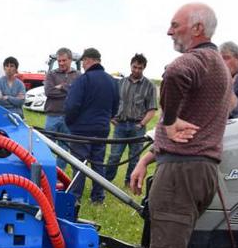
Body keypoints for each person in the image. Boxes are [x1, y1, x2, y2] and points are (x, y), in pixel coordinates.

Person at [111, 3, 233, 248]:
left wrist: (169, 117)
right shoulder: (217, 66)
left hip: (182, 174)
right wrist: (150, 155)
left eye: (174, 25)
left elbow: (176, 72)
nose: (169, 32)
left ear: (196, 28)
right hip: (195, 170)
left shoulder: (198, 62)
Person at [64, 47, 119, 204]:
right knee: (98, 164)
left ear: (88, 60)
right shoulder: (112, 81)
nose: (82, 65)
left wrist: (70, 122)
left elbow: (71, 105)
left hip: (81, 130)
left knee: (79, 165)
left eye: (82, 61)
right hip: (101, 129)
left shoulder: (83, 80)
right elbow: (115, 106)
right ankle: (98, 198)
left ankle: (75, 198)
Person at [104, 53, 157, 187]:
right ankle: (105, 182)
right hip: (120, 125)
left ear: (144, 68)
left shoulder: (149, 86)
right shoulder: (120, 83)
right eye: (134, 67)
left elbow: (152, 109)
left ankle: (129, 182)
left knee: (134, 158)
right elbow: (110, 101)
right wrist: (111, 117)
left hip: (137, 126)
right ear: (130, 66)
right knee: (114, 156)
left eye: (140, 68)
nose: (136, 70)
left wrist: (141, 124)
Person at [44, 47, 81, 169]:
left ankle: (59, 176)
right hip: (52, 116)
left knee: (64, 150)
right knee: (46, 147)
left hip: (69, 118)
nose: (61, 63)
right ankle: (45, 175)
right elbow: (49, 92)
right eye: (59, 61)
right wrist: (70, 89)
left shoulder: (78, 75)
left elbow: (79, 94)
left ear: (70, 60)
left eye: (64, 60)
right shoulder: (51, 74)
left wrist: (62, 86)